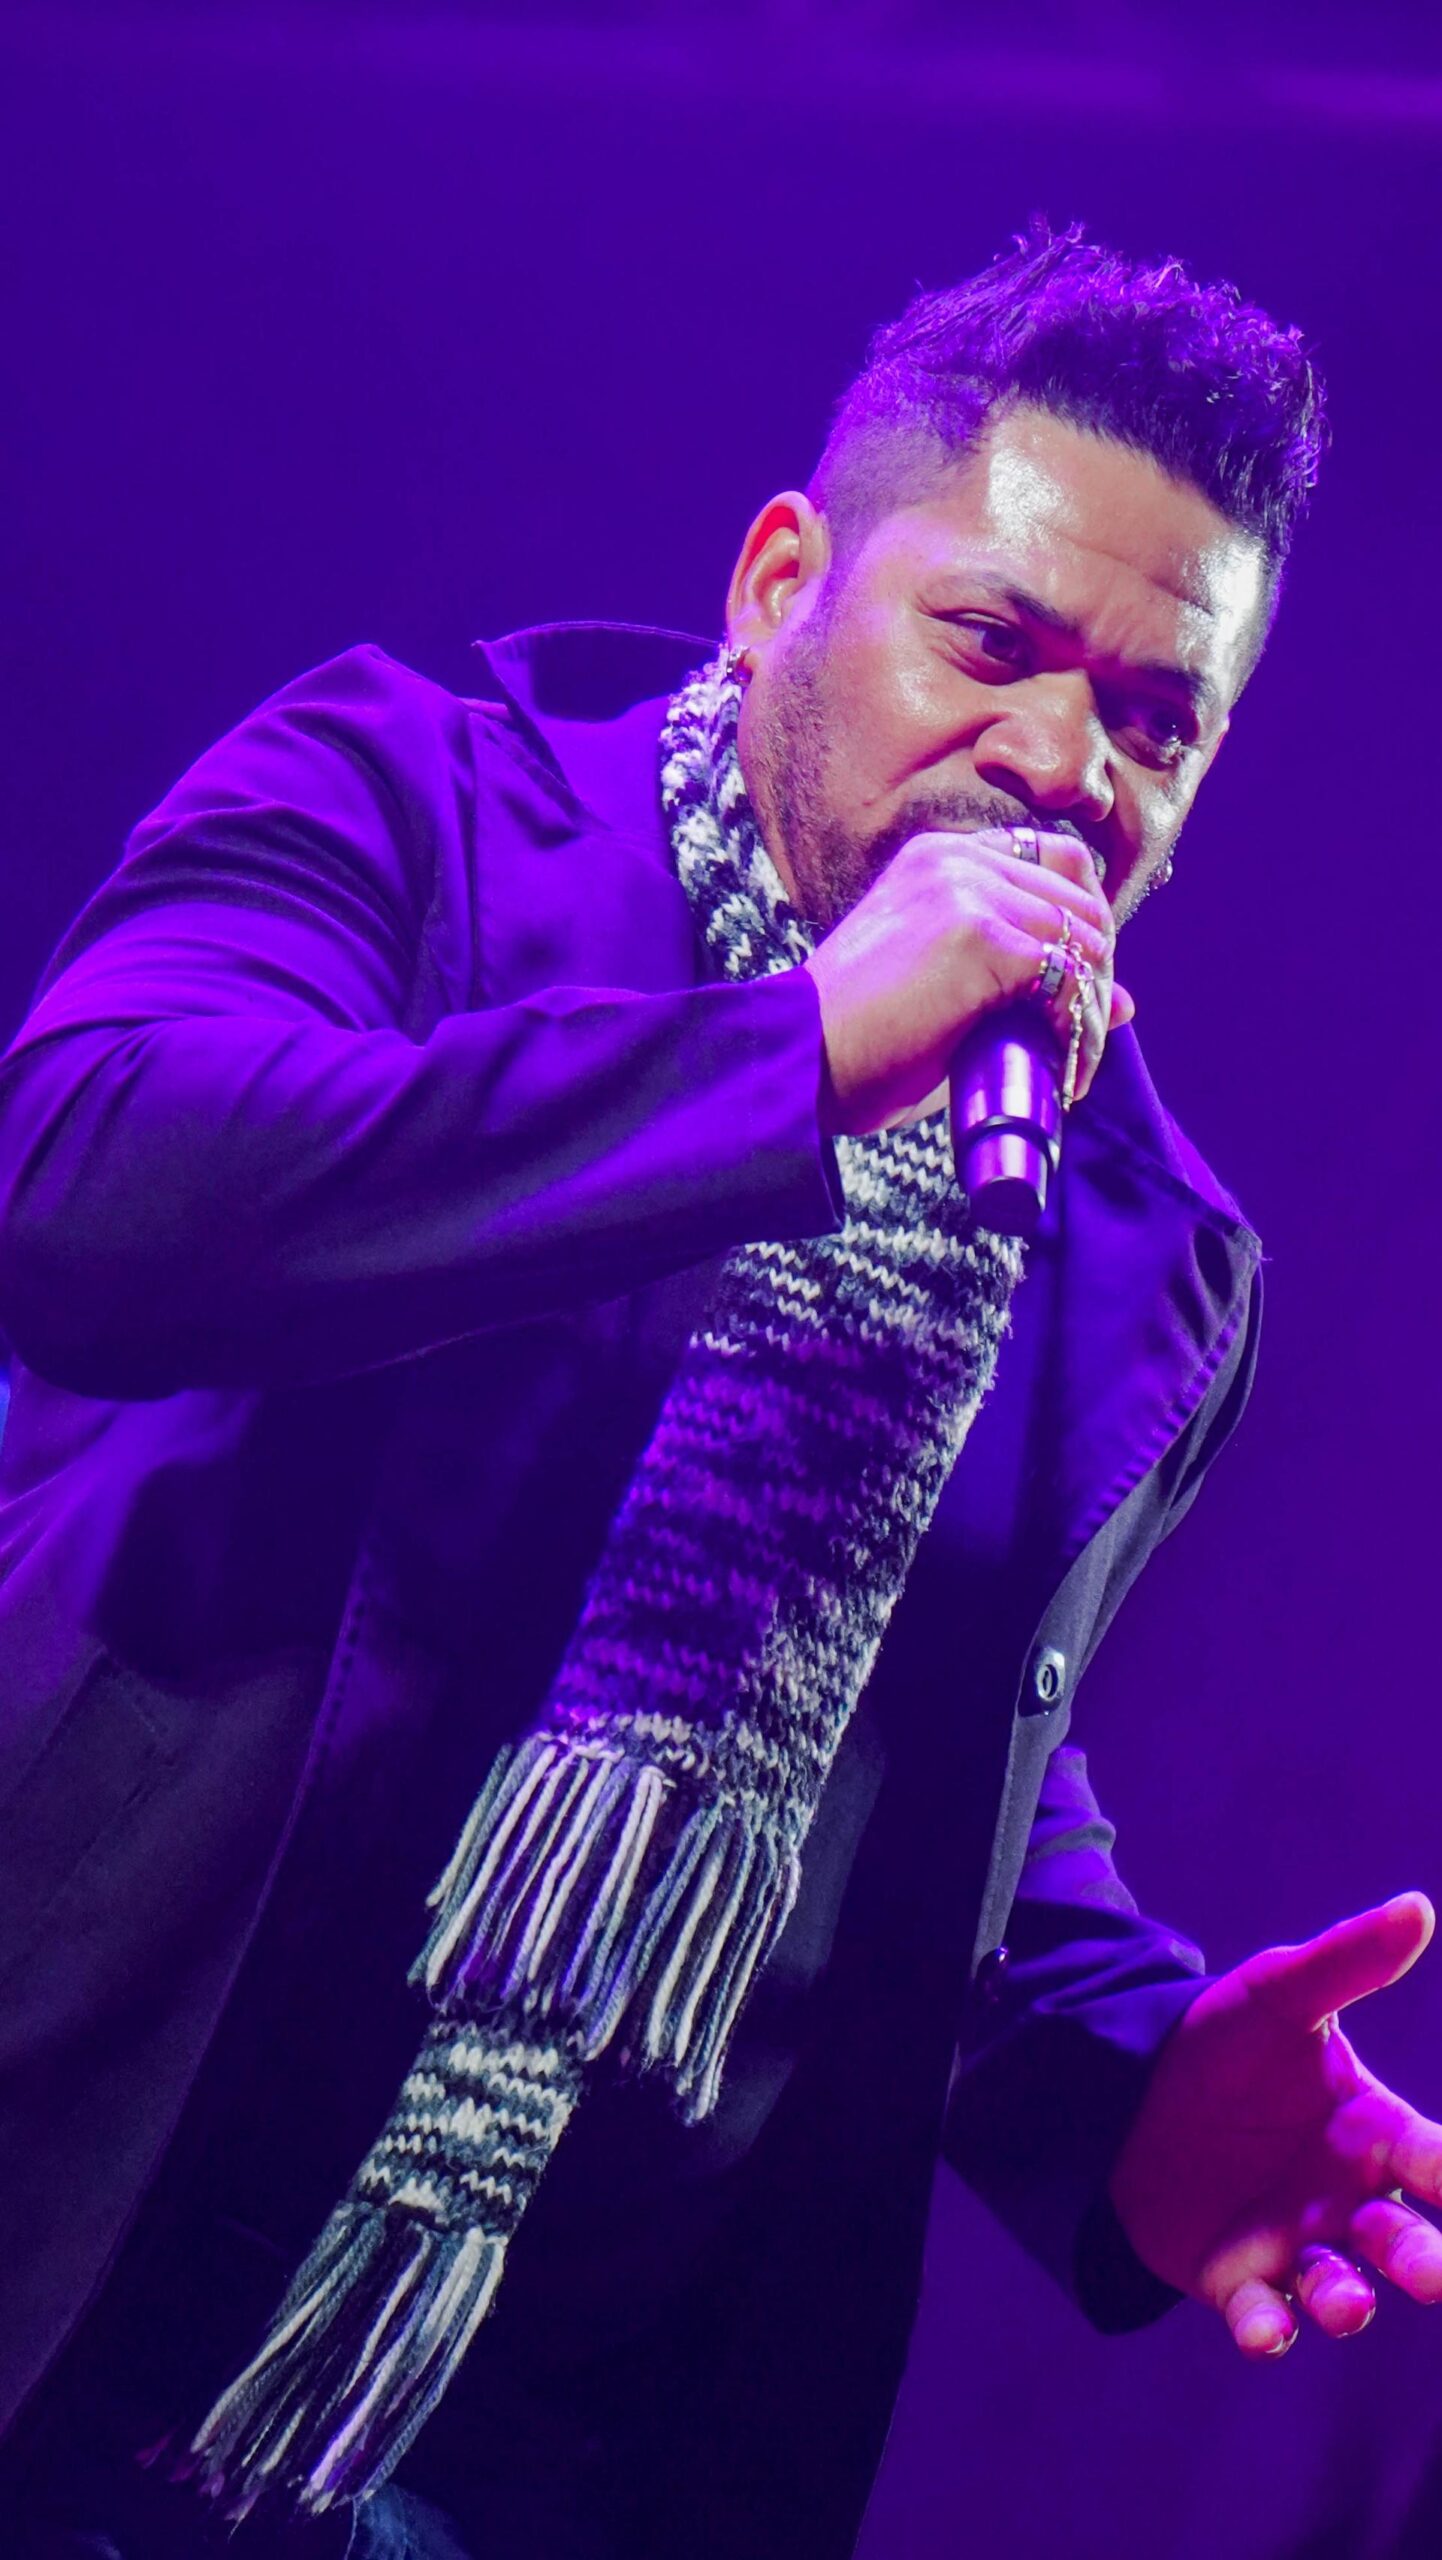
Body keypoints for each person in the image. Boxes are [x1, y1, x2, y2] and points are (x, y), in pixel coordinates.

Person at [0, 223, 1439, 2560]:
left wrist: (1130, 2090)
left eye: (1154, 722)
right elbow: (91, 1187)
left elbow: (918, 1748)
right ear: (780, 587)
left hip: (552, 2460)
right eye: (992, 642)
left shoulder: (1130, 1237)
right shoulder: (422, 803)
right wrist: (788, 1063)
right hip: (72, 2255)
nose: (1062, 765)